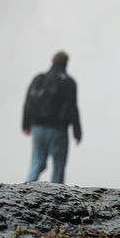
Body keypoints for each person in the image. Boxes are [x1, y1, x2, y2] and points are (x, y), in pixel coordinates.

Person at [22, 51, 82, 184]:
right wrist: (77, 132)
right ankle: (57, 199)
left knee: (37, 162)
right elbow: (72, 108)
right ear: (66, 64)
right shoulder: (69, 82)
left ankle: (25, 189)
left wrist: (25, 125)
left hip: (37, 127)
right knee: (58, 166)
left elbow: (28, 102)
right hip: (58, 129)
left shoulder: (39, 78)